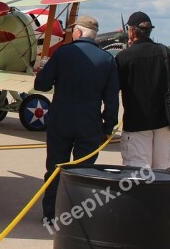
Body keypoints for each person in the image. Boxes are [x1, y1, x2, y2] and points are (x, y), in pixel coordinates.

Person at [34, 15, 119, 225]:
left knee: (54, 169)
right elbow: (112, 100)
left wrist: (43, 68)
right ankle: (78, 217)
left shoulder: (62, 53)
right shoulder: (107, 59)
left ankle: (50, 215)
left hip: (61, 121)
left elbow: (41, 85)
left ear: (78, 32)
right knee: (85, 173)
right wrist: (108, 127)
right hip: (89, 124)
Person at [116, 11, 170, 169]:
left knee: (138, 172)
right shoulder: (165, 52)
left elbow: (113, 90)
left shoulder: (123, 57)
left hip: (136, 123)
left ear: (131, 31)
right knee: (164, 170)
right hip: (165, 123)